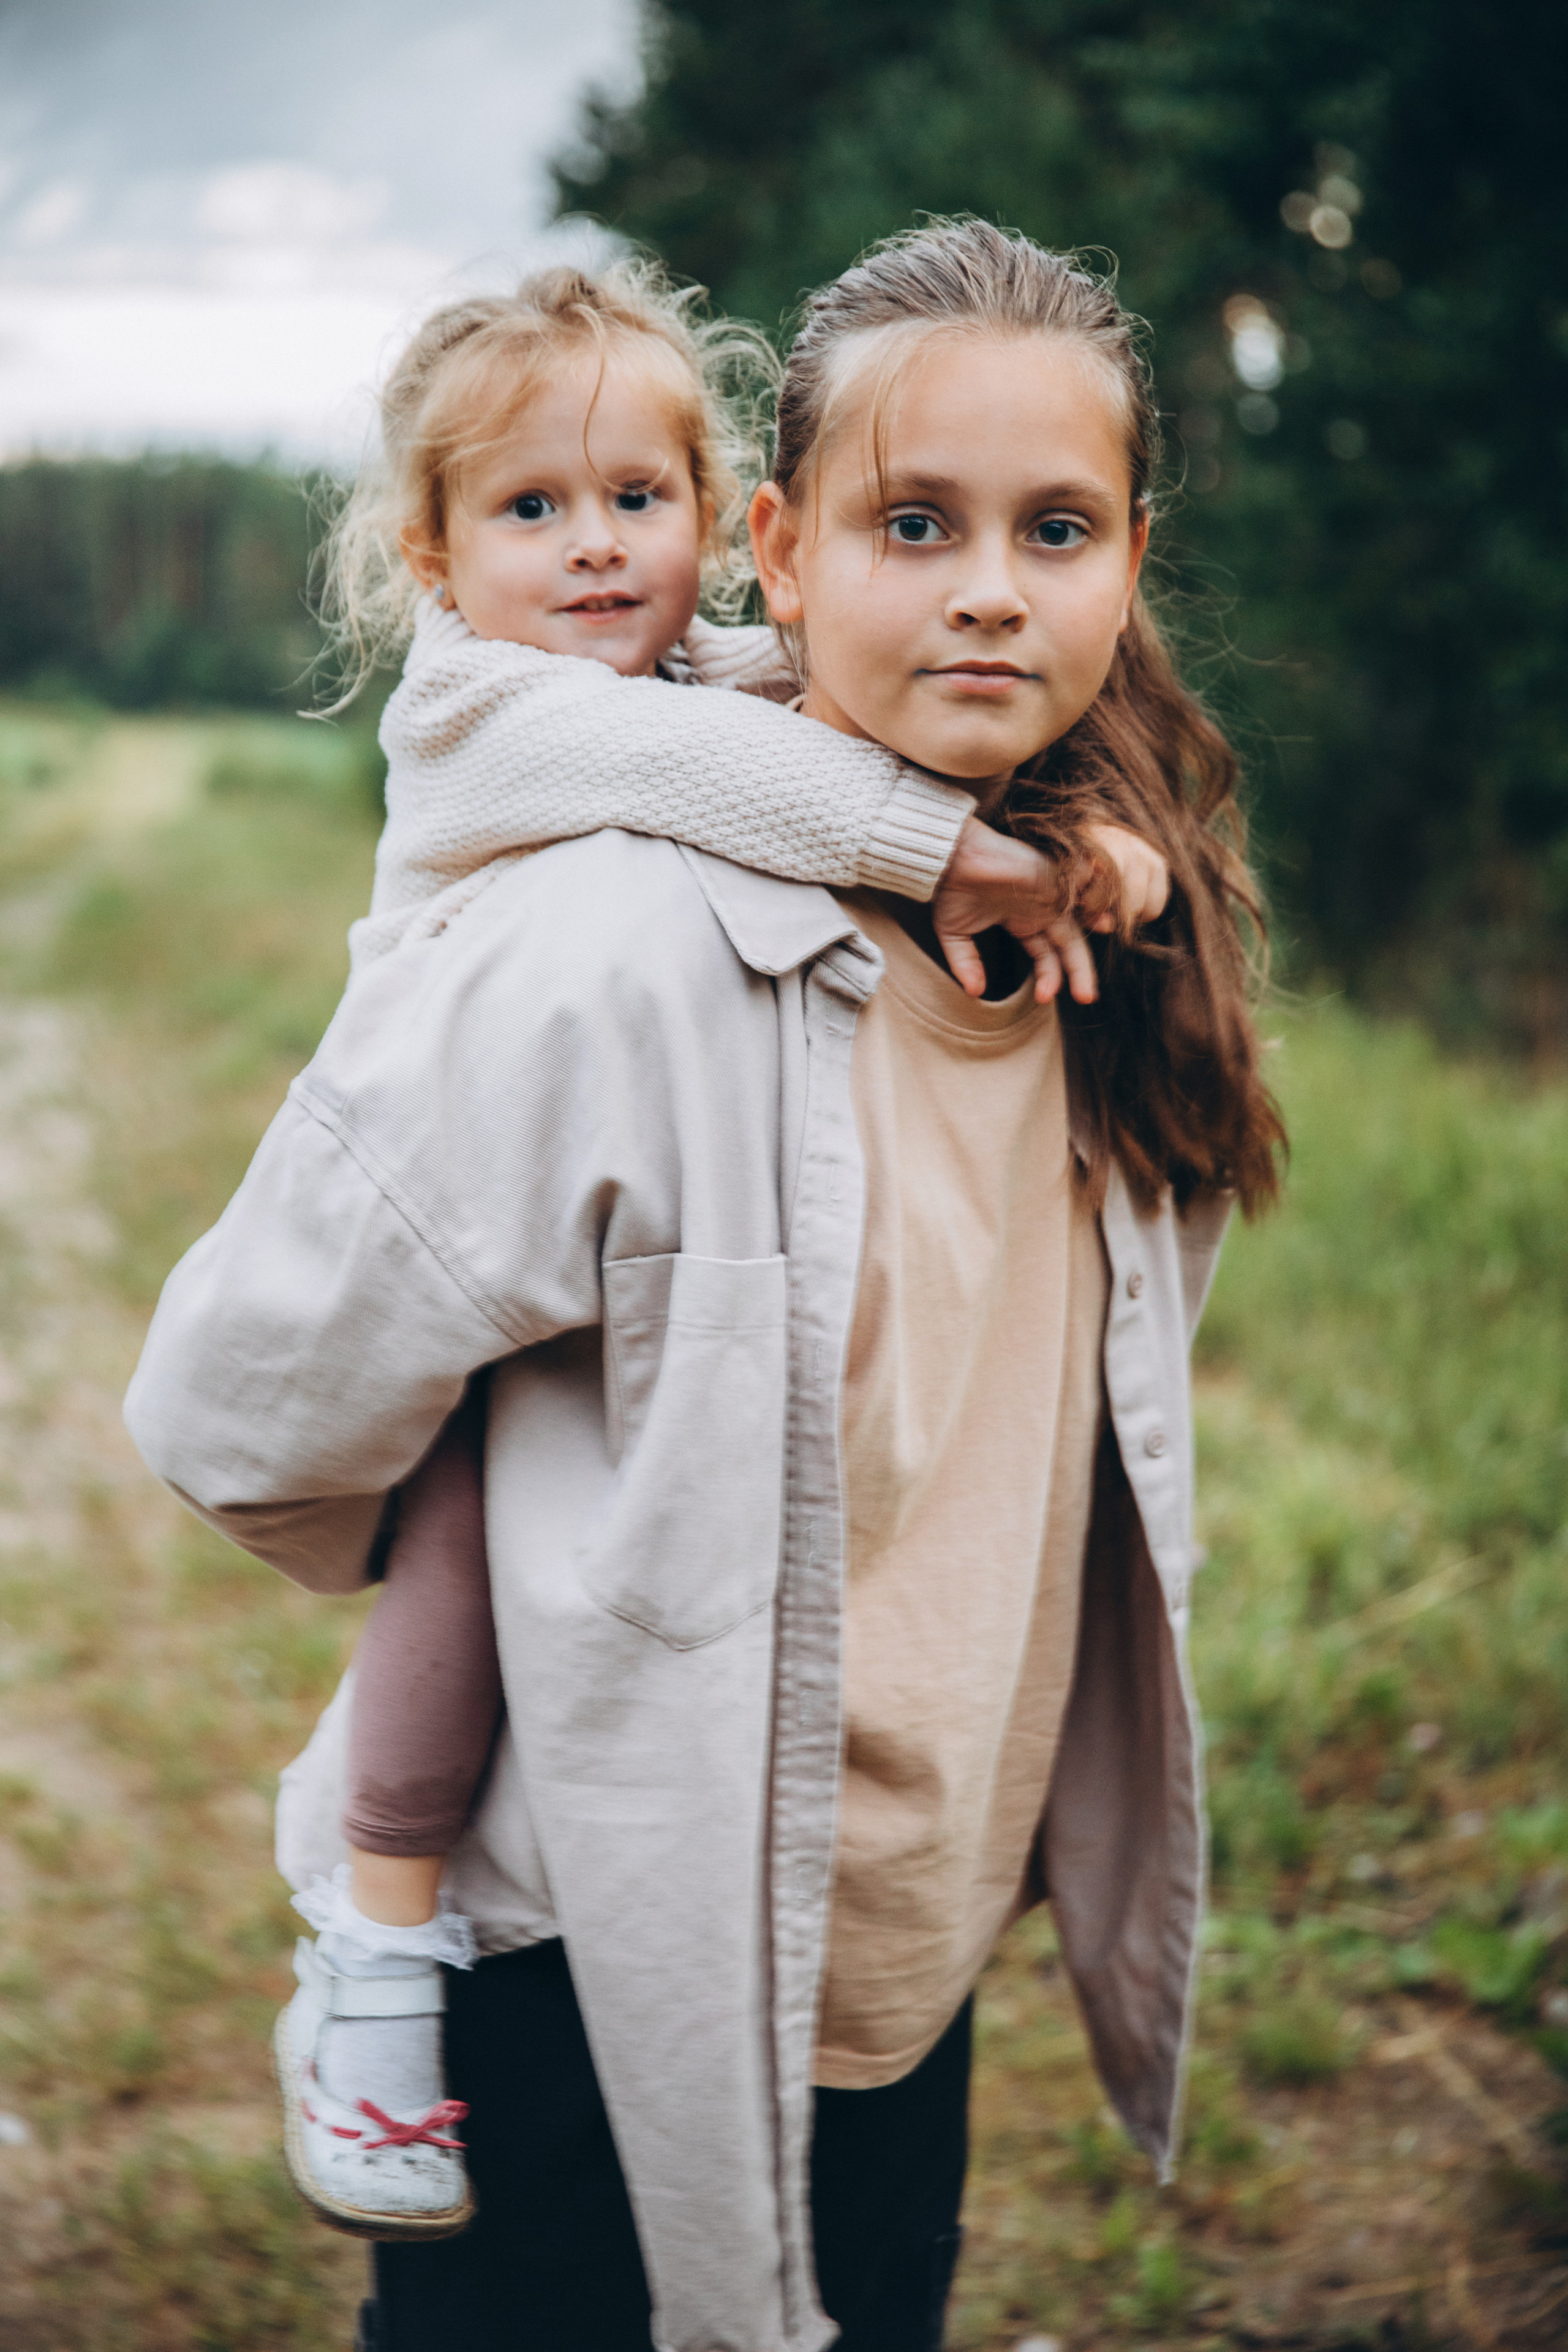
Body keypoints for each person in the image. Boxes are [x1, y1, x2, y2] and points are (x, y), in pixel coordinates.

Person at [124, 220, 1284, 2352]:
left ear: (1133, 558)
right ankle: (363, 1941)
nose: (990, 590)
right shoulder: (607, 945)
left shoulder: (1101, 953)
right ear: (777, 547)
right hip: (599, 1941)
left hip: (897, 1942)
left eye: (1057, 528)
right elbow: (238, 1413)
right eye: (913, 522)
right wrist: (515, 1535)